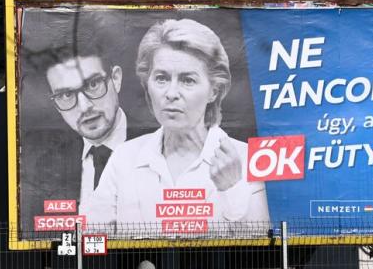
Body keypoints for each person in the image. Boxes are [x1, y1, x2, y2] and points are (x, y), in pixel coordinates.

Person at [82, 18, 269, 236]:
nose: (171, 94)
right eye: (161, 78)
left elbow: (261, 248)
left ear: (214, 91)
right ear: (147, 83)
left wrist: (232, 190)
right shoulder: (125, 158)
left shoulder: (247, 159)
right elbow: (91, 236)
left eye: (187, 80)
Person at [18, 42, 141, 231]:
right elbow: (40, 235)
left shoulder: (164, 144)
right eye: (66, 95)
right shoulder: (47, 166)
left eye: (93, 85)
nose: (84, 107)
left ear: (115, 79)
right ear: (56, 105)